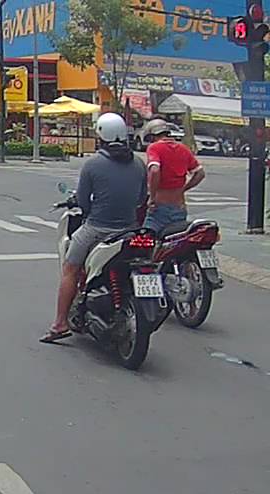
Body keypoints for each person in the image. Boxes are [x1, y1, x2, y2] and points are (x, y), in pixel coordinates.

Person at [41, 112, 146, 344]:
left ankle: (60, 323)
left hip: (98, 228)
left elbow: (83, 202)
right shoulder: (139, 164)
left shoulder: (93, 164)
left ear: (101, 136)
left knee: (70, 268)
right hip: (130, 230)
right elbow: (141, 198)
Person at [142, 117, 205, 235]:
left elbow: (154, 170)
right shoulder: (183, 149)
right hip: (179, 207)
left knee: (146, 238)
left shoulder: (154, 147)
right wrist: (184, 189)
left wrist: (152, 196)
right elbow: (200, 173)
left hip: (159, 207)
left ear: (152, 136)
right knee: (175, 238)